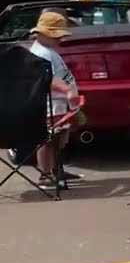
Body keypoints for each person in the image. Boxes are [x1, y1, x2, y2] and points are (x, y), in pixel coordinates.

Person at [26, 11, 84, 189]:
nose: (60, 39)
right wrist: (67, 90)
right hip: (51, 103)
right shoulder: (41, 53)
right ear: (42, 34)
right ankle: (46, 175)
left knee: (59, 138)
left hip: (60, 103)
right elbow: (45, 79)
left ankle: (56, 168)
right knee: (48, 139)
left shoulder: (50, 51)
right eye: (56, 35)